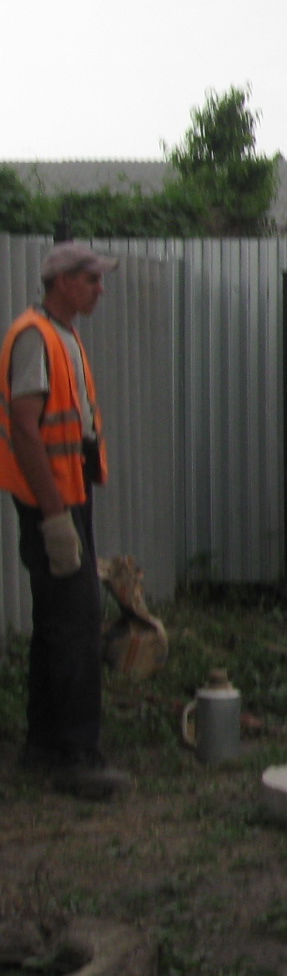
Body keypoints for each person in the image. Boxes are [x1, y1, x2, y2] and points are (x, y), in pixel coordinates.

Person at [1, 242, 129, 801]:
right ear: (62, 282)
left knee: (60, 621)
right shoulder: (36, 336)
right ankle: (76, 756)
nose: (100, 288)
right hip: (51, 504)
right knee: (76, 623)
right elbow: (25, 428)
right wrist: (54, 518)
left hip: (67, 498)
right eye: (92, 279)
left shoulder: (64, 335)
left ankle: (44, 744)